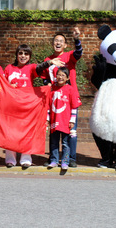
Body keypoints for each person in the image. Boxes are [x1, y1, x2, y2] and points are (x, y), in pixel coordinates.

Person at [2, 44, 63, 168]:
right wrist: (9, 86)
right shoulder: (9, 68)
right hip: (11, 106)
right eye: (21, 53)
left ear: (29, 56)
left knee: (26, 131)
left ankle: (26, 158)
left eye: (26, 54)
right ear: (16, 55)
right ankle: (10, 159)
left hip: (27, 107)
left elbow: (39, 68)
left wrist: (49, 62)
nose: (23, 56)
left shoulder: (30, 68)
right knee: (10, 132)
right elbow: (2, 84)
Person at [43, 27, 82, 167]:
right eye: (56, 41)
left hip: (69, 99)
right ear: (52, 43)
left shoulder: (69, 56)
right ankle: (53, 158)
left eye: (61, 41)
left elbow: (78, 53)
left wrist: (77, 39)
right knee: (54, 131)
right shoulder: (48, 60)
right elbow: (45, 78)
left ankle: (71, 158)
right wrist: (47, 85)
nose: (58, 43)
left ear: (65, 45)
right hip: (55, 101)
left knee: (71, 131)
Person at [48, 67, 82, 169]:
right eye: (59, 74)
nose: (60, 77)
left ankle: (65, 161)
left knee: (65, 143)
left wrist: (72, 120)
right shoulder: (52, 89)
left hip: (66, 121)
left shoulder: (71, 90)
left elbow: (74, 106)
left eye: (63, 75)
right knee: (54, 142)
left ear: (67, 78)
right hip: (55, 120)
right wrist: (48, 118)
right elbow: (48, 105)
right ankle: (53, 160)